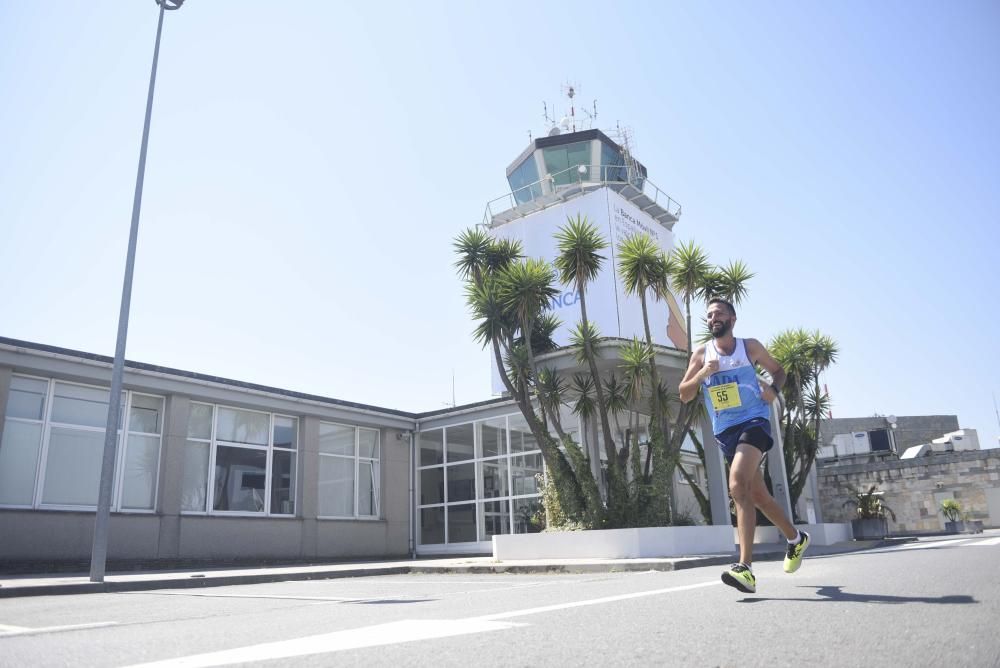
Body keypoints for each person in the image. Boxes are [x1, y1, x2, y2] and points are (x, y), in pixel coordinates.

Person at [678, 298, 810, 593]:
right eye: (709, 315)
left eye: (719, 313)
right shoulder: (701, 354)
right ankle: (795, 538)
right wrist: (703, 374)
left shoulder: (749, 347)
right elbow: (684, 394)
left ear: (732, 319)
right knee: (758, 495)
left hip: (754, 422)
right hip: (725, 431)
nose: (713, 318)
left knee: (737, 485)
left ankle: (746, 568)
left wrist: (774, 391)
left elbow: (779, 371)